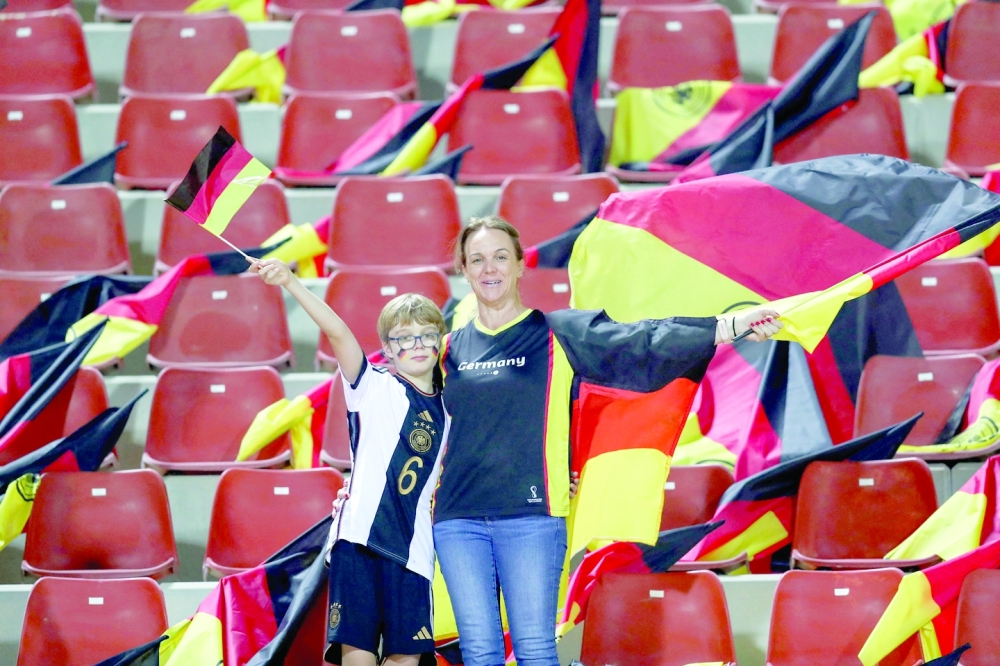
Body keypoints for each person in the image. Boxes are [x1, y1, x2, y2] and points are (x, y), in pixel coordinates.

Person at [434, 215, 782, 666]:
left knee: (535, 648)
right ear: (464, 270)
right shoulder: (447, 349)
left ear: (521, 266)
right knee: (478, 651)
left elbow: (642, 342)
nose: (489, 268)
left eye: (501, 257)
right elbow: (413, 427)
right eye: (477, 259)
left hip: (533, 517)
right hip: (458, 519)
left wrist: (729, 325)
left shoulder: (558, 332)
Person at [251, 258, 449, 666]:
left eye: (426, 335)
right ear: (389, 350)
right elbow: (337, 331)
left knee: (404, 659)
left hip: (413, 550)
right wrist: (290, 281)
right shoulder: (371, 385)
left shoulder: (452, 409)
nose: (416, 345)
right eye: (403, 338)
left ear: (440, 341)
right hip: (357, 542)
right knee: (356, 655)